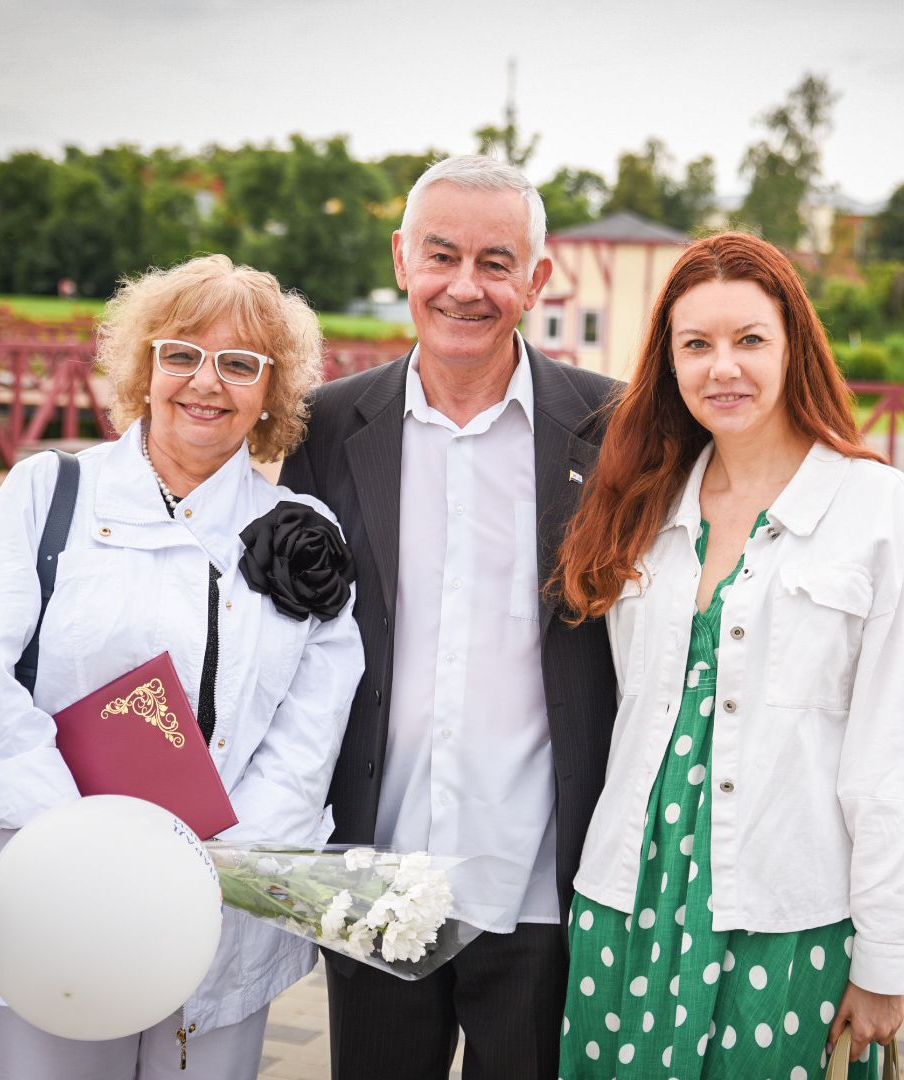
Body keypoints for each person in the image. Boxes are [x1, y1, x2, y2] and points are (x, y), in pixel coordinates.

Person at [0, 254, 364, 1078]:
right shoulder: (47, 492)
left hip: (219, 909)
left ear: (271, 391)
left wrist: (205, 872)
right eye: (182, 355)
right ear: (145, 365)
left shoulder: (304, 530)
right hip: (60, 897)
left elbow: (310, 736)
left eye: (240, 364)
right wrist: (88, 855)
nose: (207, 383)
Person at [555, 232, 904, 1079]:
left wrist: (885, 961)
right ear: (668, 361)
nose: (721, 368)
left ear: (794, 347)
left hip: (788, 913)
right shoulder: (643, 498)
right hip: (630, 900)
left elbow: (902, 757)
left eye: (749, 341)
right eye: (695, 344)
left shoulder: (877, 510)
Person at [280, 155, 620, 1080]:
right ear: (402, 260)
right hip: (378, 868)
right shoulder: (324, 430)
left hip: (544, 878)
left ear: (538, 279)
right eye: (441, 256)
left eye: (496, 262)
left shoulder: (614, 429)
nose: (465, 287)